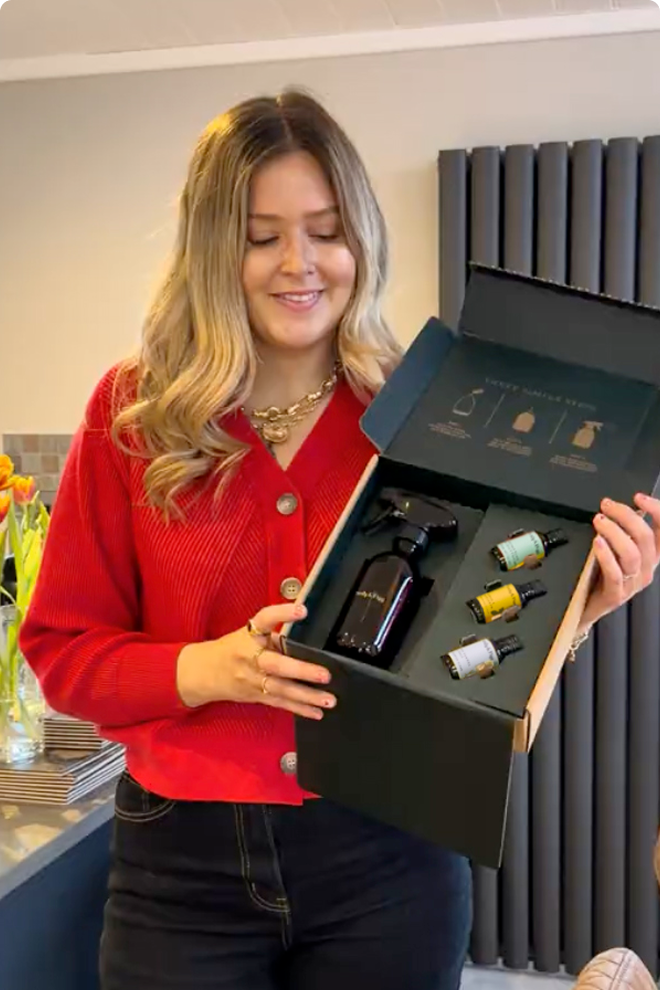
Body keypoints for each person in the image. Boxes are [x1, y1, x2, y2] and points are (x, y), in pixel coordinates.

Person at [20, 89, 660, 990]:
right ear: (213, 248)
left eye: (326, 231)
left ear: (361, 239)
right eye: (261, 236)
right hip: (180, 868)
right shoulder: (132, 414)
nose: (300, 264)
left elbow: (469, 677)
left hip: (391, 859)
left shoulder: (430, 410)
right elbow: (64, 656)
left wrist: (574, 615)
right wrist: (212, 669)